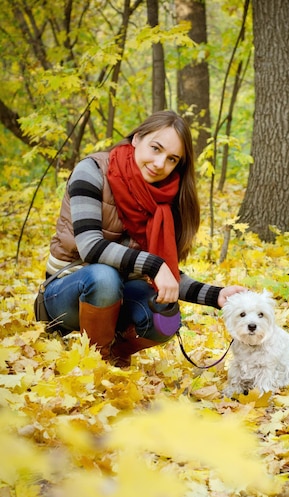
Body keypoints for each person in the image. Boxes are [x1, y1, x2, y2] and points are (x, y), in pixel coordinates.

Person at [40, 110, 245, 367]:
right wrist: (154, 265)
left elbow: (166, 275)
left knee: (167, 316)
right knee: (104, 276)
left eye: (172, 159)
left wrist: (216, 295)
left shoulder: (163, 199)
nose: (160, 164)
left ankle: (115, 353)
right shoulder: (92, 171)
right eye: (155, 149)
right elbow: (90, 246)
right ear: (136, 139)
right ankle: (95, 367)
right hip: (64, 292)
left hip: (119, 294)